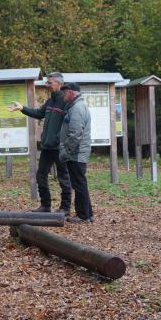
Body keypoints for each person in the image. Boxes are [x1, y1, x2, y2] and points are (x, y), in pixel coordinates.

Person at [8, 72, 72, 214]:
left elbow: (71, 125)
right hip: (47, 147)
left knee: (64, 178)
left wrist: (64, 142)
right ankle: (45, 206)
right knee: (41, 175)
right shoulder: (50, 102)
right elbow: (38, 113)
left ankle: (65, 208)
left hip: (60, 147)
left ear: (59, 84)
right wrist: (22, 108)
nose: (47, 85)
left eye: (49, 83)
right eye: (46, 82)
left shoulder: (66, 102)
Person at [59, 82, 93, 223]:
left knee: (78, 184)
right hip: (77, 152)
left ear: (71, 93)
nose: (63, 95)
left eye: (65, 92)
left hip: (76, 153)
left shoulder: (77, 108)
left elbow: (75, 134)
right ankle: (88, 214)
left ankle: (83, 216)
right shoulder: (76, 106)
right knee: (80, 183)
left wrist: (66, 152)